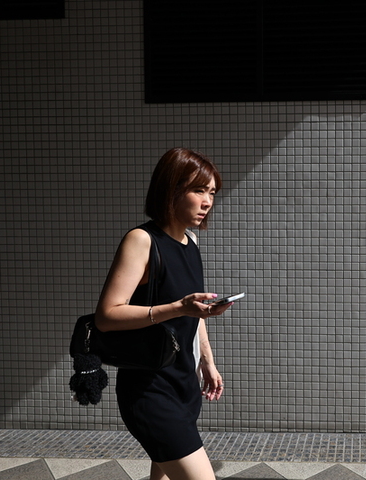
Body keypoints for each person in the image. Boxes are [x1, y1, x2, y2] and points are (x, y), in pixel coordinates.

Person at [95, 148, 232, 480]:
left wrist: (207, 361)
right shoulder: (142, 240)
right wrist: (177, 308)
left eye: (212, 192)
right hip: (149, 390)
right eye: (198, 190)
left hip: (184, 384)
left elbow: (193, 313)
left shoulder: (191, 243)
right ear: (172, 189)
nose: (207, 201)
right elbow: (107, 315)